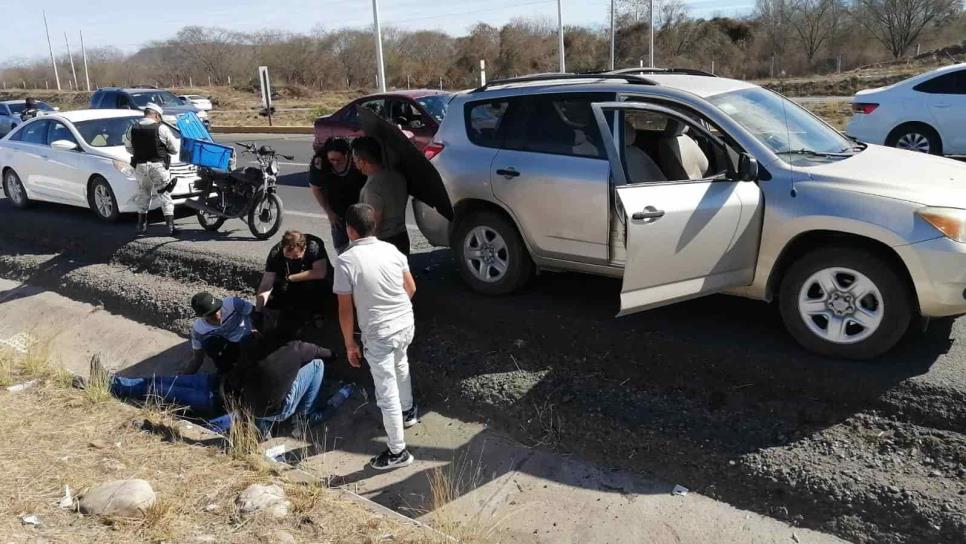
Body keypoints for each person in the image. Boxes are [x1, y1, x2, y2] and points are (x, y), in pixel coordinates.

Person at [334, 203, 418, 470]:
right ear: (374, 226)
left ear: (350, 230)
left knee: (386, 392)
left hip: (380, 333)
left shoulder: (346, 261)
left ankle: (398, 452)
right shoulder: (391, 250)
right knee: (401, 363)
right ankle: (408, 412)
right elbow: (411, 288)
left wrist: (350, 344)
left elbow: (345, 310)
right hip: (405, 322)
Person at [254, 230, 331, 340]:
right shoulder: (276, 253)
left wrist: (291, 278)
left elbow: (320, 272)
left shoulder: (314, 246)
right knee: (277, 295)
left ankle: (316, 312)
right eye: (287, 257)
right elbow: (266, 284)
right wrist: (258, 310)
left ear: (303, 249)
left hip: (313, 277)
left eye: (295, 257)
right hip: (288, 278)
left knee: (315, 287)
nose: (291, 259)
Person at [123, 103, 179, 236]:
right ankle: (170, 227)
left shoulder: (132, 128)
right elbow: (174, 149)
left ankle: (141, 225)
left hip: (140, 166)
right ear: (156, 115)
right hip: (158, 166)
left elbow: (128, 148)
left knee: (143, 193)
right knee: (164, 194)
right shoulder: (162, 128)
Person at [351, 137, 411, 255]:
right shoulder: (398, 176)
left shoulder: (372, 188)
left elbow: (374, 223)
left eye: (355, 161)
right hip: (402, 237)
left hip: (384, 242)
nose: (355, 165)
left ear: (362, 161)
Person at [309, 137, 367, 253]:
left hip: (360, 205)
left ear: (347, 154)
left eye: (338, 160)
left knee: (363, 243)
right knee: (341, 245)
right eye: (332, 159)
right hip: (336, 208)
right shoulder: (320, 163)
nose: (335, 163)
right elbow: (316, 188)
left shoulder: (357, 161)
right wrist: (329, 212)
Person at [184, 292, 255, 375]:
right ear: (201, 316)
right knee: (209, 344)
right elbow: (197, 358)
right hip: (232, 347)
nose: (217, 315)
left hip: (249, 338)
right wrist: (181, 379)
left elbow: (256, 313)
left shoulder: (232, 303)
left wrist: (256, 328)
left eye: (217, 309)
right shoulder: (199, 330)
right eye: (211, 314)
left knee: (247, 342)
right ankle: (228, 371)